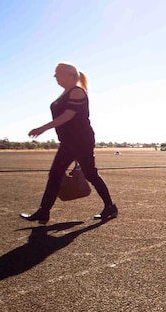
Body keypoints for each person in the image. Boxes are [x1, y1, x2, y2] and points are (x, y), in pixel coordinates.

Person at [21, 63, 117, 225]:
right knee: (57, 174)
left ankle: (110, 206)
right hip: (69, 140)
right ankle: (44, 212)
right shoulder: (65, 93)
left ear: (70, 75)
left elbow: (68, 115)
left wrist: (43, 128)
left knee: (88, 174)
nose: (55, 77)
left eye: (58, 73)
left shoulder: (77, 92)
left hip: (80, 140)